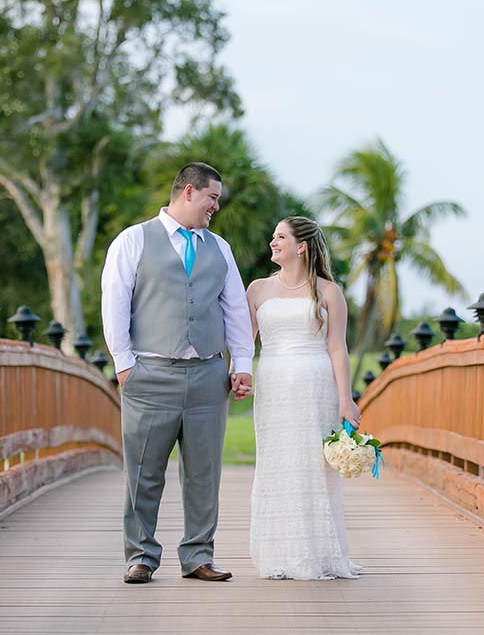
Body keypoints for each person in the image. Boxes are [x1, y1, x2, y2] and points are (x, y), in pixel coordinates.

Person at [101, 162, 254, 585]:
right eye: (212, 197)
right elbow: (114, 302)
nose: (216, 207)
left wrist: (242, 365)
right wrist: (125, 364)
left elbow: (236, 310)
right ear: (188, 192)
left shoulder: (219, 249)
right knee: (143, 473)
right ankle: (141, 557)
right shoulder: (133, 240)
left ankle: (198, 555)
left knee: (204, 473)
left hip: (208, 374)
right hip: (149, 372)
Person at [246, 215, 363, 580]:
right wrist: (239, 375)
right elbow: (242, 343)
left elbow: (337, 349)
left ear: (301, 246)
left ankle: (316, 553)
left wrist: (346, 399)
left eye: (280, 236)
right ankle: (278, 553)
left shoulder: (328, 292)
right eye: (273, 235)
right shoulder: (257, 290)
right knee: (277, 463)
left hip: (315, 386)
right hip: (273, 385)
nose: (272, 242)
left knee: (313, 466)